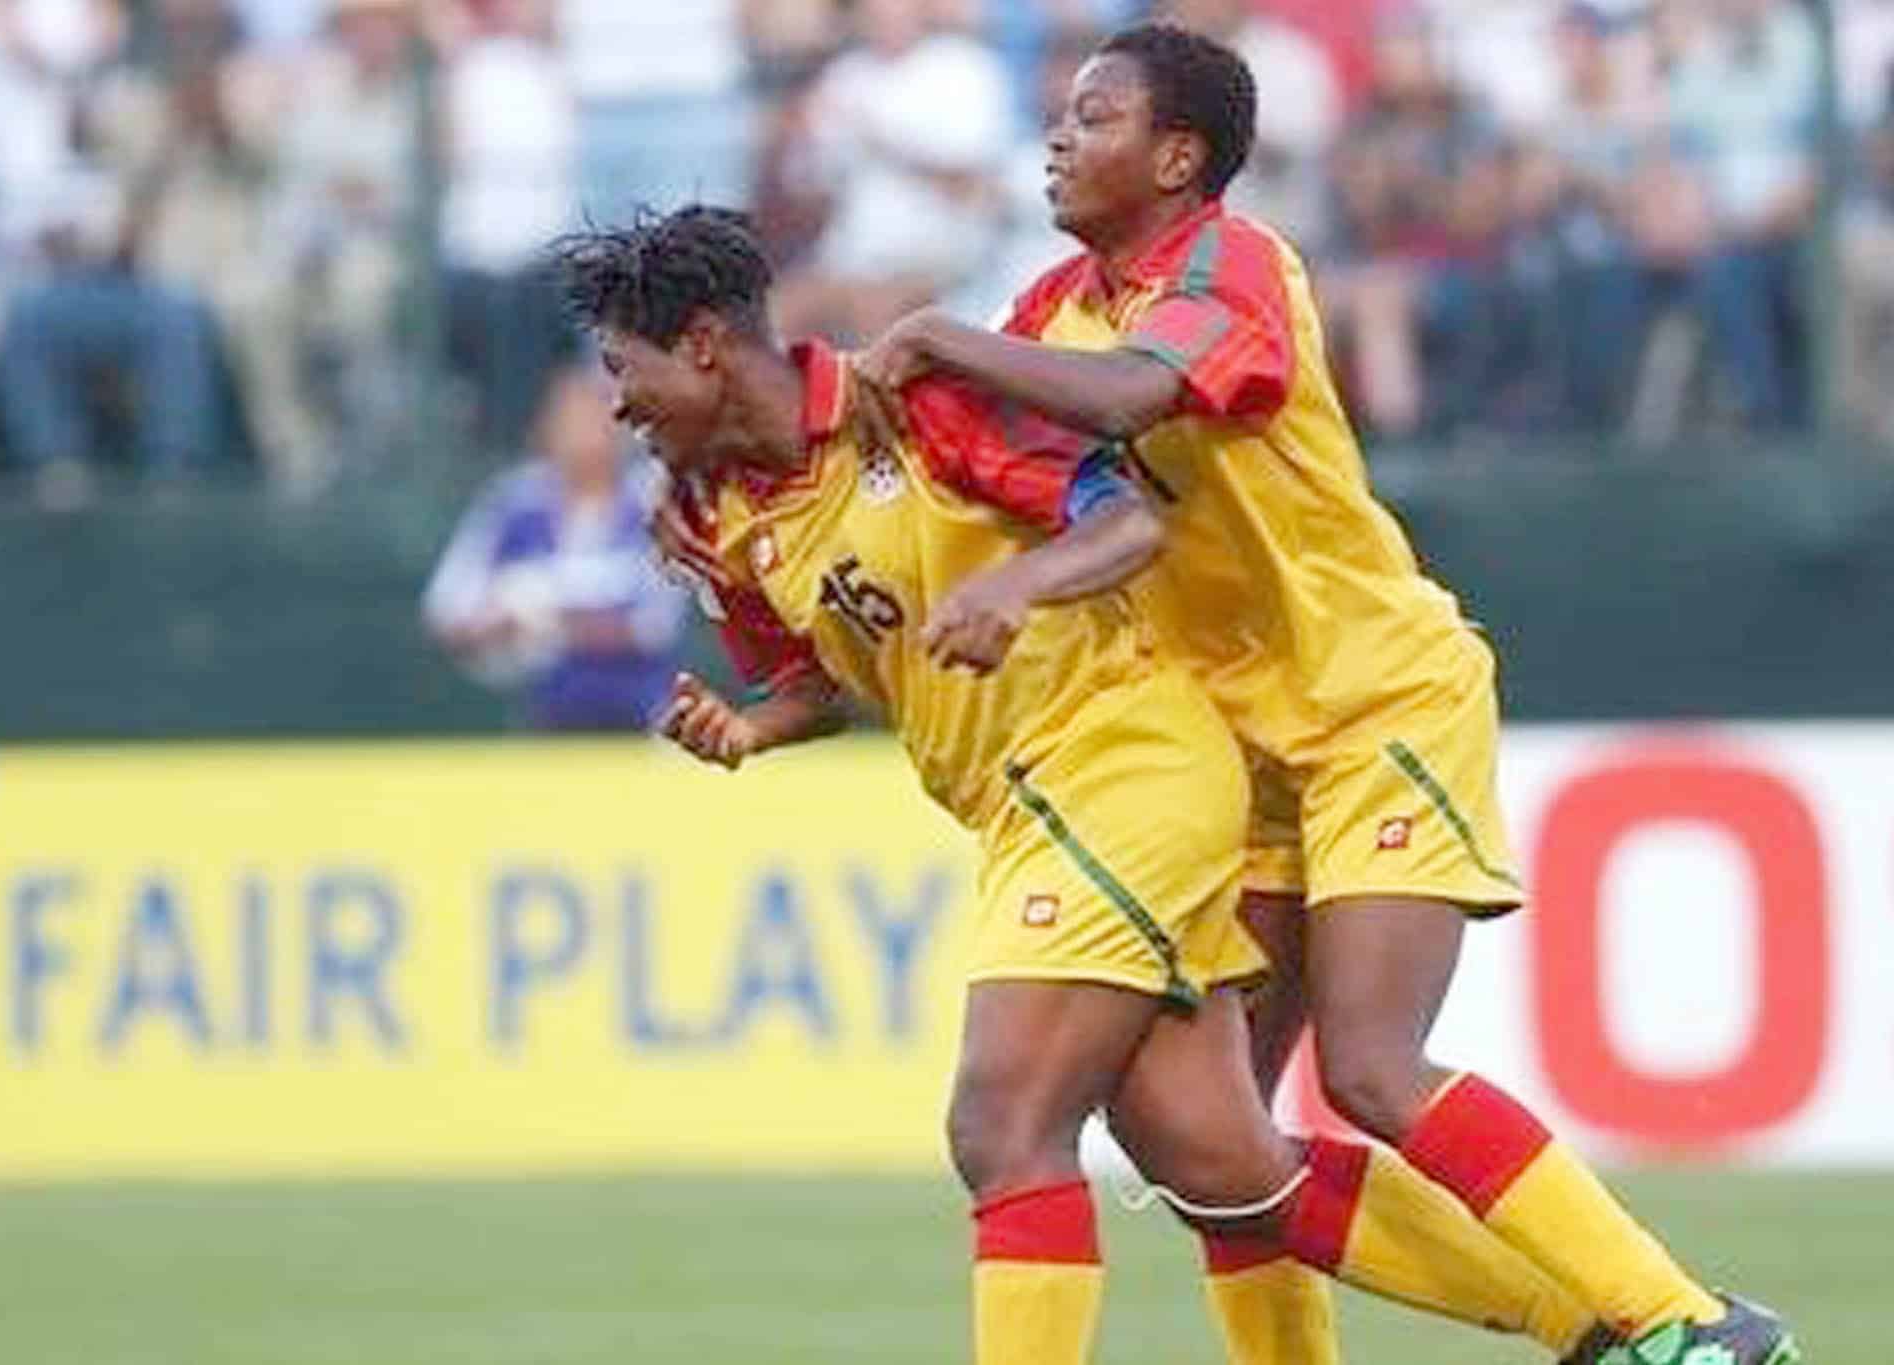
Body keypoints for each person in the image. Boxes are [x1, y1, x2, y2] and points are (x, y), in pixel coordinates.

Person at [859, 23, 1798, 1365]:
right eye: (1062, 116)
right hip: (1228, 744)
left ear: (1178, 155)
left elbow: (1130, 398)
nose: (1058, 138)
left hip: (1368, 702)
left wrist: (937, 338)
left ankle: (1684, 1326)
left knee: (1369, 1067)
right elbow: (977, 450)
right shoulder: (1051, 307)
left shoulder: (1234, 267)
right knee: (1212, 1137)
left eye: (1095, 116)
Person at [556, 205, 1632, 1365]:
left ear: (707, 345)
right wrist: (751, 727)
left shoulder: (912, 405)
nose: (617, 404)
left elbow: (1124, 526)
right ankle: (1598, 1330)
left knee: (1003, 1122)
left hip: (1115, 756)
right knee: (1216, 1163)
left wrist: (1019, 594)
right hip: (1021, 806)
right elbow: (817, 683)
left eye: (626, 368)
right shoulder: (707, 519)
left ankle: (1638, 1313)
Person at [423, 365, 685, 731]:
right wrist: (502, 621)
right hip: (541, 718)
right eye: (572, 419)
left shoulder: (652, 502)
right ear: (547, 427)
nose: (586, 434)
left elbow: (653, 624)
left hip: (643, 719)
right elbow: (449, 611)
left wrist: (550, 621)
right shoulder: (513, 504)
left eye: (599, 417)